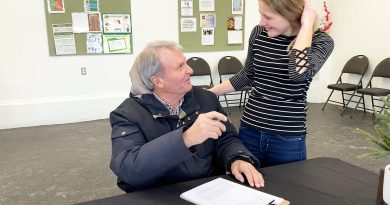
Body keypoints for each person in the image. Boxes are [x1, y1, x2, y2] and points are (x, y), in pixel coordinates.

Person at [109, 40, 264, 192]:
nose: (190, 70)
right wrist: (185, 139)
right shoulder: (127, 114)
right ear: (158, 81)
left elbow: (226, 138)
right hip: (162, 195)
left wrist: (237, 158)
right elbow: (127, 169)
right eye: (180, 66)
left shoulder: (206, 98)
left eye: (186, 63)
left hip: (209, 191)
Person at [209, 0, 334, 167]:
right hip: (250, 130)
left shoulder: (321, 41)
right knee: (245, 187)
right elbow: (248, 74)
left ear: (290, 15)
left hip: (287, 138)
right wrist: (209, 93)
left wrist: (306, 26)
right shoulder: (259, 32)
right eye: (261, 14)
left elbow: (298, 74)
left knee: (286, 190)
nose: (261, 22)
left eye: (267, 16)